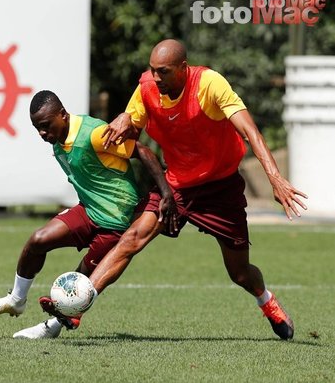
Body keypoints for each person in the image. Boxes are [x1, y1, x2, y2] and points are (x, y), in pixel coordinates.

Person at [87, 39, 308, 341]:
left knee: (240, 272)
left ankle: (266, 300)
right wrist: (125, 121)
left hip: (221, 186)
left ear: (183, 68)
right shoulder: (147, 90)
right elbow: (132, 127)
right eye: (152, 71)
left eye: (163, 72)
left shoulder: (209, 84)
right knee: (132, 239)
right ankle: (77, 307)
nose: (155, 78)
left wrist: (275, 178)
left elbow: (249, 130)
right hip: (177, 184)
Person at [0, 90, 177, 339]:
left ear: (62, 114)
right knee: (38, 240)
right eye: (37, 128)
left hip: (115, 223)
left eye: (46, 125)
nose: (42, 133)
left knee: (80, 284)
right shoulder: (59, 138)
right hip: (88, 210)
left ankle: (51, 328)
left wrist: (166, 193)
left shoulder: (94, 134)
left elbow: (144, 152)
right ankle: (16, 299)